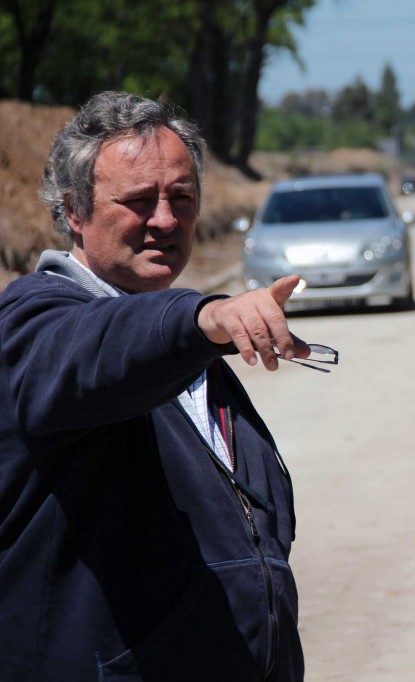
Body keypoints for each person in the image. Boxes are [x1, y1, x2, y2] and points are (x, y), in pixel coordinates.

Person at [0, 91, 311, 680]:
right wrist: (202, 318)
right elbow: (103, 351)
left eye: (182, 198)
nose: (165, 220)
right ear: (74, 211)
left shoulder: (186, 353)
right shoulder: (32, 327)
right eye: (139, 200)